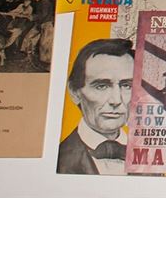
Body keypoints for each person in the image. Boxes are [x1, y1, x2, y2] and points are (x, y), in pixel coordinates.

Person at [57, 38, 134, 175]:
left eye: (127, 86)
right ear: (74, 92)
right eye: (101, 86)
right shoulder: (59, 159)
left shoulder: (152, 157)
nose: (116, 100)